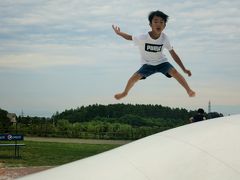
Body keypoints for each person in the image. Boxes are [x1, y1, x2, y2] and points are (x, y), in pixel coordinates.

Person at [112, 10, 196, 100]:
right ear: (150, 25)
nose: (158, 24)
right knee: (134, 77)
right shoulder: (143, 37)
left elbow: (173, 54)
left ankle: (188, 90)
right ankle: (124, 93)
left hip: (162, 63)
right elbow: (129, 37)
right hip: (147, 64)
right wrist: (119, 33)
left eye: (161, 22)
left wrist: (184, 69)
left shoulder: (165, 38)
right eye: (155, 21)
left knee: (174, 72)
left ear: (164, 25)